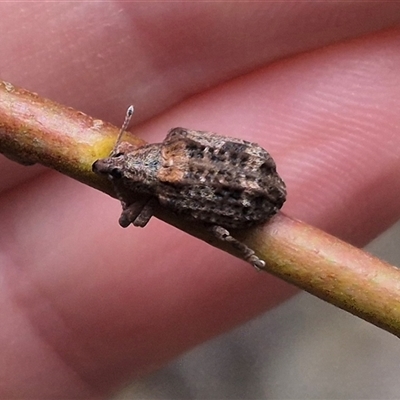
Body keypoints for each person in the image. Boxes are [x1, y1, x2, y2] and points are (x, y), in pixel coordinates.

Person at [1, 3, 400, 398]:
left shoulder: (165, 183)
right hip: (248, 165)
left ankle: (244, 250)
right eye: (119, 163)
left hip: (252, 200)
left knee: (217, 229)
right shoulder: (173, 144)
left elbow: (132, 219)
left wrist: (129, 191)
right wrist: (123, 172)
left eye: (119, 162)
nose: (110, 164)